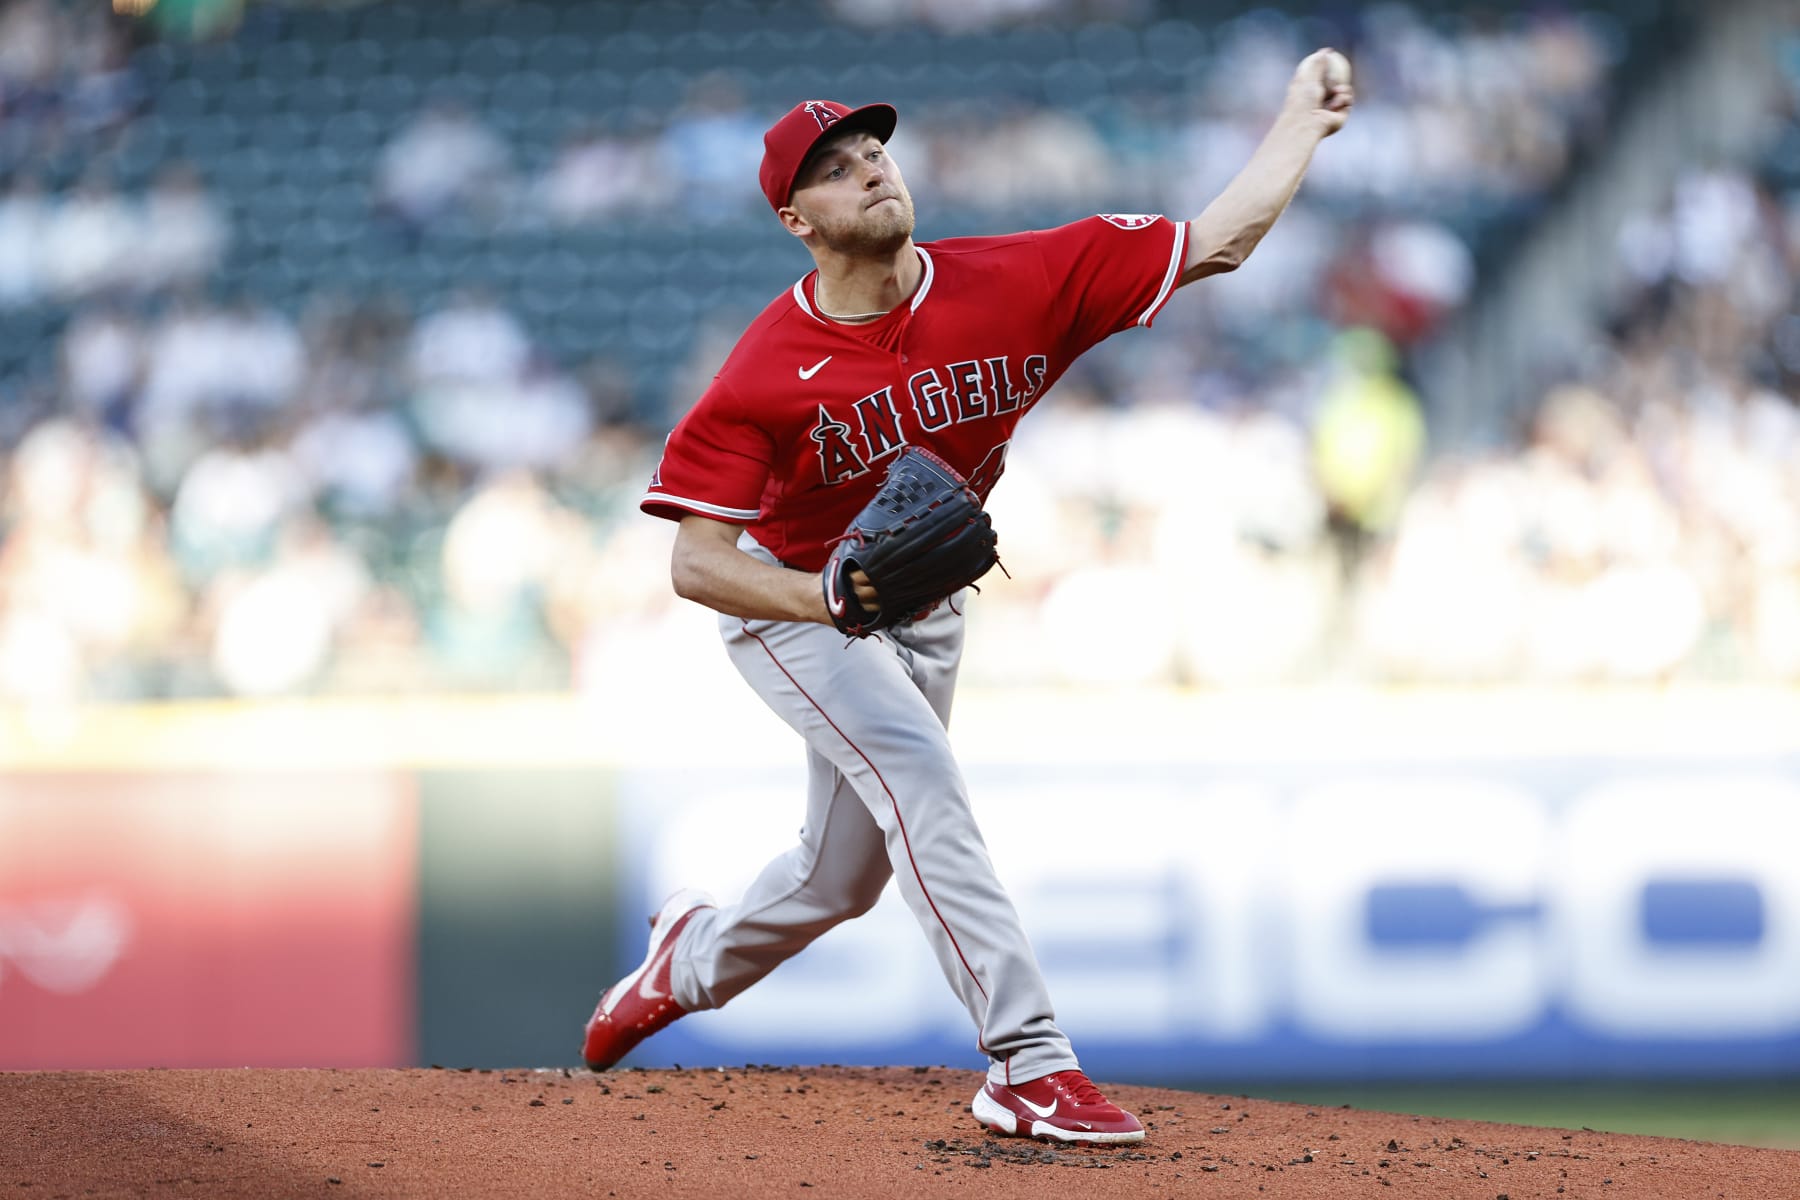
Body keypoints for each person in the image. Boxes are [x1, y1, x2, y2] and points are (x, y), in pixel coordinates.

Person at [583, 50, 1354, 1144]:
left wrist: (1297, 125)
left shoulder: (1022, 277)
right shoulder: (763, 369)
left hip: (922, 599)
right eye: (835, 169)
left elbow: (1215, 241)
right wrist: (823, 599)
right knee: (923, 780)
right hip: (791, 603)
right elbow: (696, 563)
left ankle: (690, 959)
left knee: (837, 877)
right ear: (797, 220)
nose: (869, 172)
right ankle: (1028, 1062)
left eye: (873, 151)